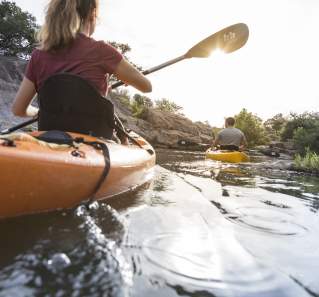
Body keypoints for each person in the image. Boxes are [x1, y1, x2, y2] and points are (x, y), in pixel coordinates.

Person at [11, 0, 151, 140]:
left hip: (50, 140)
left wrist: (38, 112)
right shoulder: (102, 51)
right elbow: (146, 87)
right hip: (94, 143)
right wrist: (124, 79)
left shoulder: (38, 55)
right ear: (92, 13)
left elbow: (18, 109)